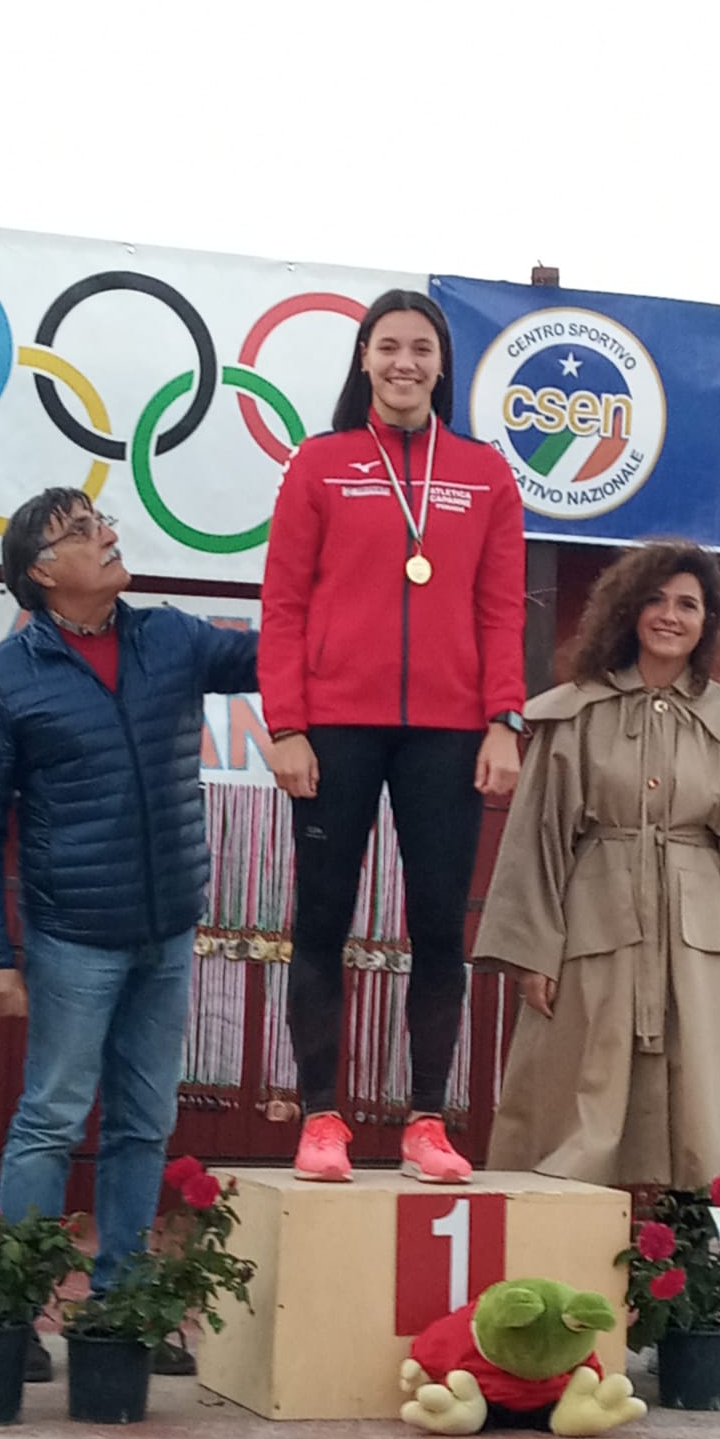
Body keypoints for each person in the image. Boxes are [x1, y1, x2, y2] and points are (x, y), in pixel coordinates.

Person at [0, 487, 258, 1379]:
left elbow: (282, 655)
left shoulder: (172, 637)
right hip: (71, 935)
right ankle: (13, 1315)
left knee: (143, 1125)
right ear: (43, 572)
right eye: (81, 532)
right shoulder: (2, 679)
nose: (108, 536)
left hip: (168, 930)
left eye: (102, 522)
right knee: (49, 1119)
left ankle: (121, 1312)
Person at [260, 289, 526, 1185]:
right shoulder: (320, 464)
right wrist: (287, 725)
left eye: (421, 348)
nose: (404, 363)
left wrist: (504, 719)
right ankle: (321, 1119)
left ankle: (426, 1122)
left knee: (439, 928)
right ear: (365, 359)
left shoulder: (485, 475)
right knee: (322, 920)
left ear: (442, 363)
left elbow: (501, 608)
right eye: (388, 347)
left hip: (449, 732)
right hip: (336, 726)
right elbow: (283, 604)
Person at [473, 540, 720, 1190]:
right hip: (594, 930)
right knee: (580, 1097)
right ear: (628, 610)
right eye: (655, 600)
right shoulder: (577, 714)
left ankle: (699, 1246)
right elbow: (537, 837)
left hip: (701, 946)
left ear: (707, 622)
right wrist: (533, 954)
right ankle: (563, 1238)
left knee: (704, 1110)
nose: (669, 616)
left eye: (688, 604)